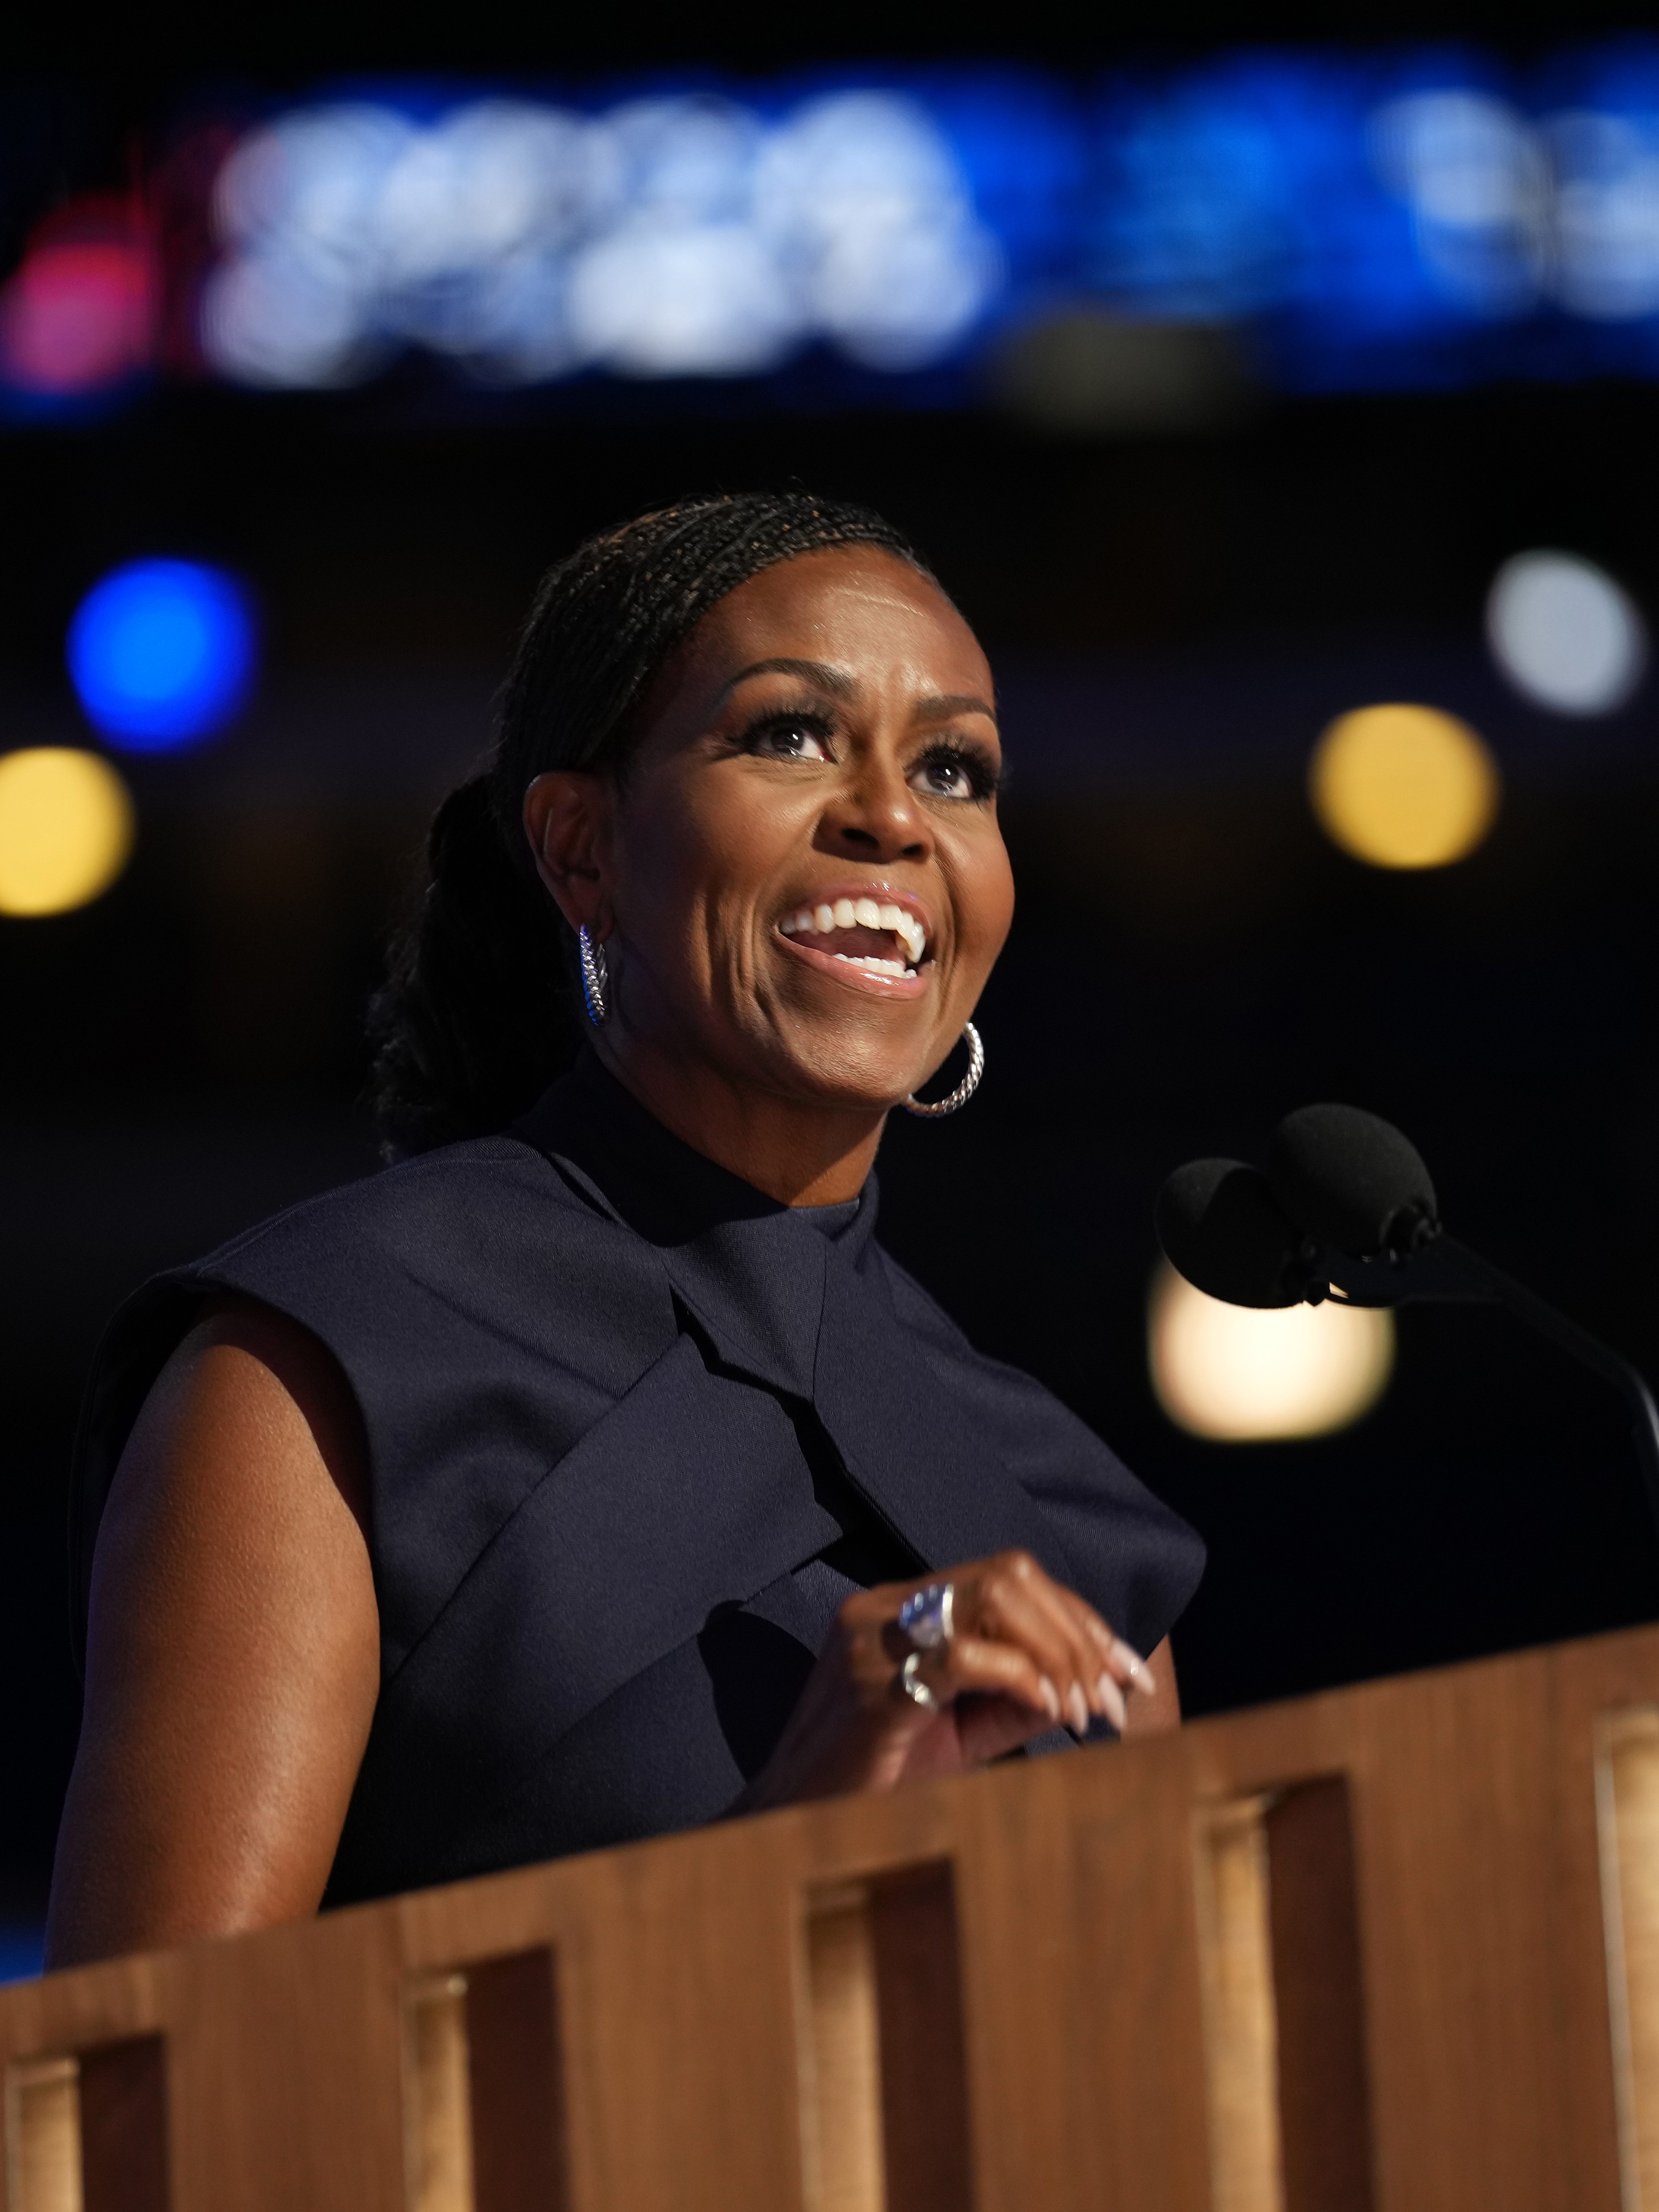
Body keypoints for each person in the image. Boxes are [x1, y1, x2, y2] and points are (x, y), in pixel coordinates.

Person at [47, 493, 1204, 1969]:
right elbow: (150, 2121)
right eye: (790, 734)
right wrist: (780, 1848)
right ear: (583, 848)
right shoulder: (317, 1369)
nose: (893, 816)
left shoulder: (1074, 1525)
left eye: (956, 768)